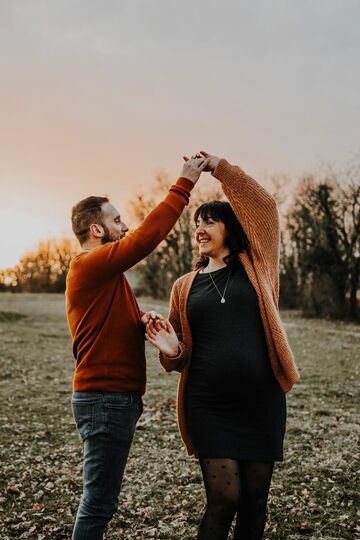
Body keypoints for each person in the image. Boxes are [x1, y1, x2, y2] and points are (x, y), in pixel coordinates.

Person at [145, 151, 300, 540]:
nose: (199, 227)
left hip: (261, 402)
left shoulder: (257, 265)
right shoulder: (184, 286)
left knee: (255, 501)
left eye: (209, 220)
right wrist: (170, 349)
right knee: (224, 498)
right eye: (196, 222)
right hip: (209, 405)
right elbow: (182, 355)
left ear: (230, 228)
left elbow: (264, 205)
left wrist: (221, 169)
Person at [65, 155, 209, 540]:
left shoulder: (105, 276)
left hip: (110, 399)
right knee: (98, 504)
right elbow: (147, 237)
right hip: (105, 398)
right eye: (115, 221)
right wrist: (184, 184)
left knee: (100, 501)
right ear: (95, 229)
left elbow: (102, 325)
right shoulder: (89, 264)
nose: (124, 226)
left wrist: (141, 320)